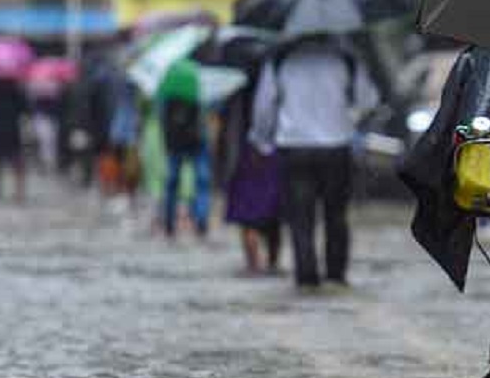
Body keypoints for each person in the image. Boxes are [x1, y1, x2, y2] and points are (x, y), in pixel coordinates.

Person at [249, 36, 379, 288]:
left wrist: (261, 142)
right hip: (336, 145)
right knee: (336, 215)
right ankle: (335, 275)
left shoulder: (280, 60)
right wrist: (347, 115)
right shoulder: (346, 58)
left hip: (294, 147)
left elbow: (264, 107)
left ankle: (306, 278)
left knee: (300, 217)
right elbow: (368, 101)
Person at [223, 79, 283, 276]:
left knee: (249, 215)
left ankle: (253, 265)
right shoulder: (279, 69)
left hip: (249, 152)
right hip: (277, 149)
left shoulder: (236, 82)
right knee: (273, 212)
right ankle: (270, 264)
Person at [161, 92, 211, 240]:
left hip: (188, 140)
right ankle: (172, 221)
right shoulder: (197, 88)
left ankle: (196, 220)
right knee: (194, 181)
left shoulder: (170, 90)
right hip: (185, 141)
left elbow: (163, 119)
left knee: (179, 181)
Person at [0, 78, 29, 202]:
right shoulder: (17, 92)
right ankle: (18, 191)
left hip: (0, 131)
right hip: (12, 131)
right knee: (16, 163)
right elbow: (25, 110)